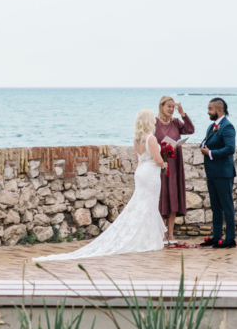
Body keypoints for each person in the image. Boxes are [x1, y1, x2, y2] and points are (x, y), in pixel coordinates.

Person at [37, 109, 166, 261]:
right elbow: (157, 160)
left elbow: (139, 160)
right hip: (150, 175)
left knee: (141, 205)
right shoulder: (150, 138)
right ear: (148, 121)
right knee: (149, 206)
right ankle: (148, 239)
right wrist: (164, 164)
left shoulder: (137, 139)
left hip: (141, 172)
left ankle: (145, 238)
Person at [154, 95, 195, 245]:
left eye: (173, 107)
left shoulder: (176, 122)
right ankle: (162, 233)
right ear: (161, 106)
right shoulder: (154, 123)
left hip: (175, 165)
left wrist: (183, 113)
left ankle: (171, 233)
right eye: (168, 106)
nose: (171, 109)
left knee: (173, 197)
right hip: (161, 165)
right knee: (162, 198)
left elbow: (190, 129)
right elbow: (149, 142)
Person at [198, 97, 236, 248]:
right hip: (212, 172)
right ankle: (217, 237)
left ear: (219, 110)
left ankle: (230, 239)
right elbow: (206, 140)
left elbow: (230, 148)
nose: (208, 112)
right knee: (215, 206)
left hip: (224, 173)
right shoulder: (211, 126)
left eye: (210, 109)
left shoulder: (227, 127)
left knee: (227, 206)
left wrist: (211, 153)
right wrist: (202, 145)